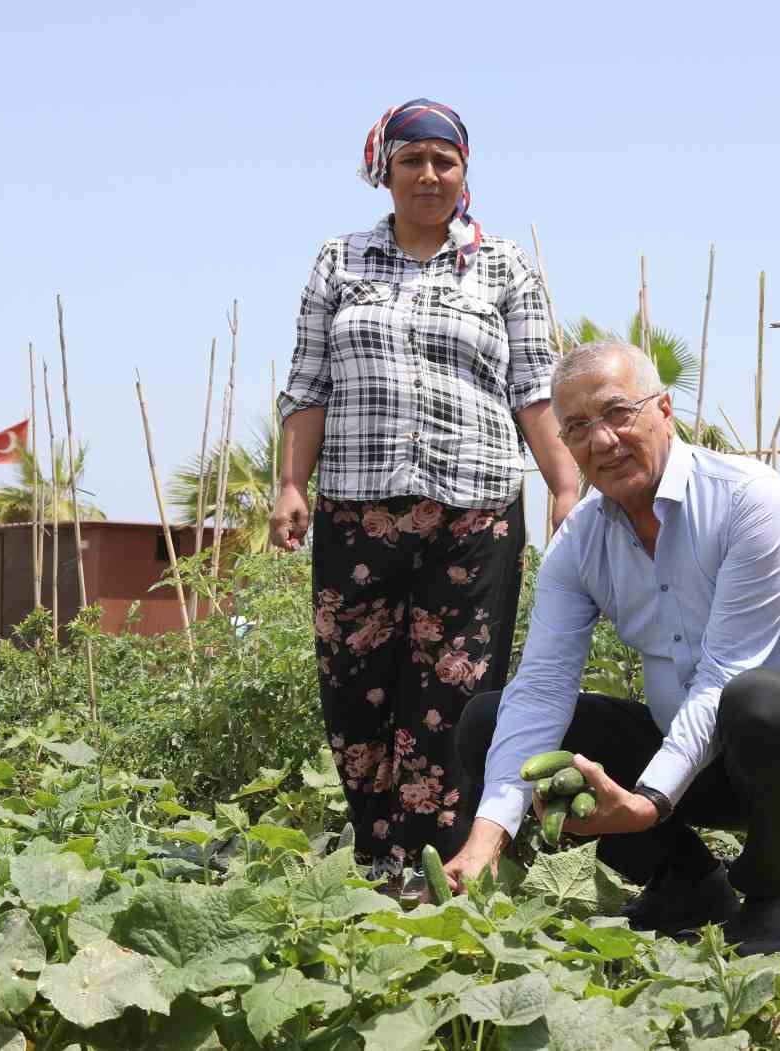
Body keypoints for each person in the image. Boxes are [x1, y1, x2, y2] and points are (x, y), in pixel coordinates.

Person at [441, 340, 780, 957]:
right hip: (694, 763)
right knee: (491, 721)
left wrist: (646, 802)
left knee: (755, 699)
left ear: (665, 410)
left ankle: (775, 901)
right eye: (577, 427)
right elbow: (542, 687)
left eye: (618, 412)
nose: (602, 441)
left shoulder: (748, 499)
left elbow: (725, 672)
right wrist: (488, 836)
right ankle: (685, 884)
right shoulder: (579, 544)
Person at [271, 98, 580, 886]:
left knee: (457, 689)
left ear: (464, 172)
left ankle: (433, 867)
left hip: (474, 510)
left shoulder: (502, 265)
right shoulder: (339, 261)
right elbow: (308, 384)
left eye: (445, 161)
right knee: (354, 687)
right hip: (356, 508)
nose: (430, 175)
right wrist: (289, 484)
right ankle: (377, 855)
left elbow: (534, 389)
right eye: (413, 160)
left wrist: (564, 486)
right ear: (386, 170)